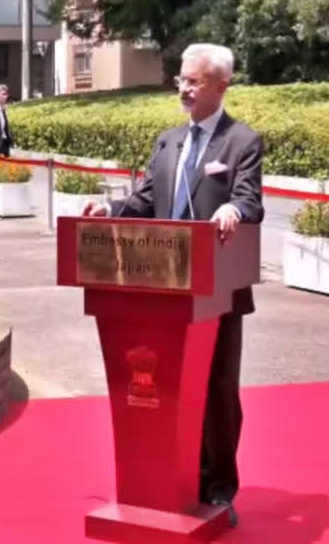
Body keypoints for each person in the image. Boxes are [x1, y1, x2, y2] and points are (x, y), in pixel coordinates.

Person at [82, 43, 263, 527]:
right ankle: (166, 482)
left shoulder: (241, 142)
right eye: (181, 79)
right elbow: (144, 200)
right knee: (163, 389)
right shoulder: (168, 141)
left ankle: (218, 486)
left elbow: (249, 199)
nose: (183, 89)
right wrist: (111, 211)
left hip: (216, 288)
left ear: (221, 85)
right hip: (162, 289)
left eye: (195, 81)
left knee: (218, 391)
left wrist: (234, 210)